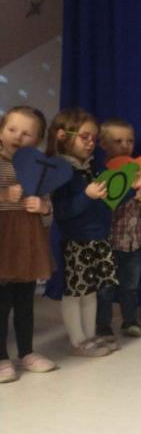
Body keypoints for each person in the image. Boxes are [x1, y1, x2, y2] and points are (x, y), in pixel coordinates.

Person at [49, 108, 134, 356]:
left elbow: (110, 200)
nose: (90, 143)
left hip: (97, 239)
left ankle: (90, 336)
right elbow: (61, 210)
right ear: (63, 136)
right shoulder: (61, 171)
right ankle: (77, 341)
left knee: (91, 291)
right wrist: (86, 195)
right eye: (84, 137)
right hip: (74, 241)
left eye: (93, 138)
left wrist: (132, 188)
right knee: (75, 292)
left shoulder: (91, 168)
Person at [0, 106, 57, 382]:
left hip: (27, 238)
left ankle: (27, 352)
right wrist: (4, 195)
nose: (17, 136)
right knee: (1, 303)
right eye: (12, 129)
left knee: (25, 300)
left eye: (26, 133)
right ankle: (1, 357)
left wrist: (43, 207)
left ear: (37, 141)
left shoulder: (38, 167)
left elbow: (48, 203)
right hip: (3, 237)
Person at [96, 118, 141, 339]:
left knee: (130, 286)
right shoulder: (102, 173)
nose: (125, 145)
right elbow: (105, 206)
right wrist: (130, 190)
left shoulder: (137, 171)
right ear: (103, 144)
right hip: (108, 241)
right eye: (118, 141)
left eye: (129, 141)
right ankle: (103, 324)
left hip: (133, 241)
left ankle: (130, 321)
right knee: (105, 287)